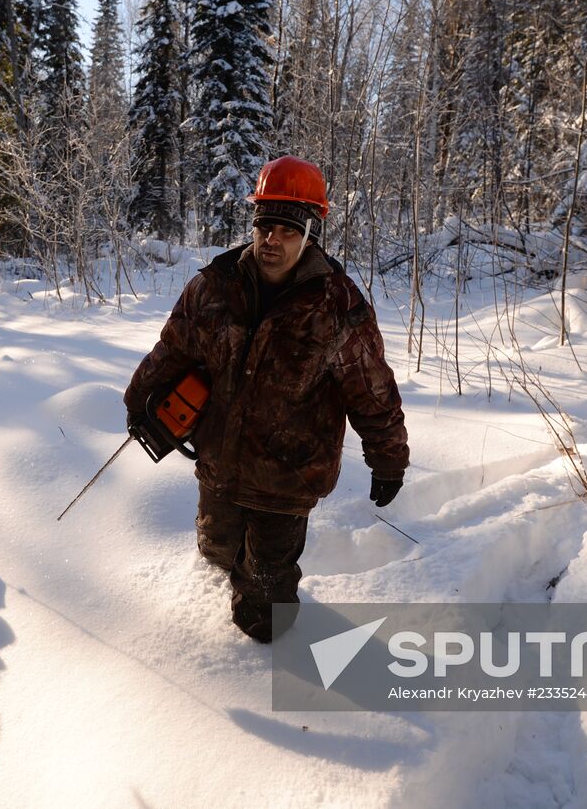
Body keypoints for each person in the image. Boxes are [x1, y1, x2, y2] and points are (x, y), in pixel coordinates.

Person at [124, 156, 409, 642]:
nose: (272, 239)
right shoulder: (214, 287)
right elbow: (172, 349)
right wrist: (138, 401)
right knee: (216, 550)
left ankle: (268, 658)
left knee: (264, 605)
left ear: (309, 231)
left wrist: (388, 459)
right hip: (218, 459)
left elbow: (372, 389)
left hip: (288, 477)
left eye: (287, 228)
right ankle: (231, 573)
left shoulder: (336, 306)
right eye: (264, 225)